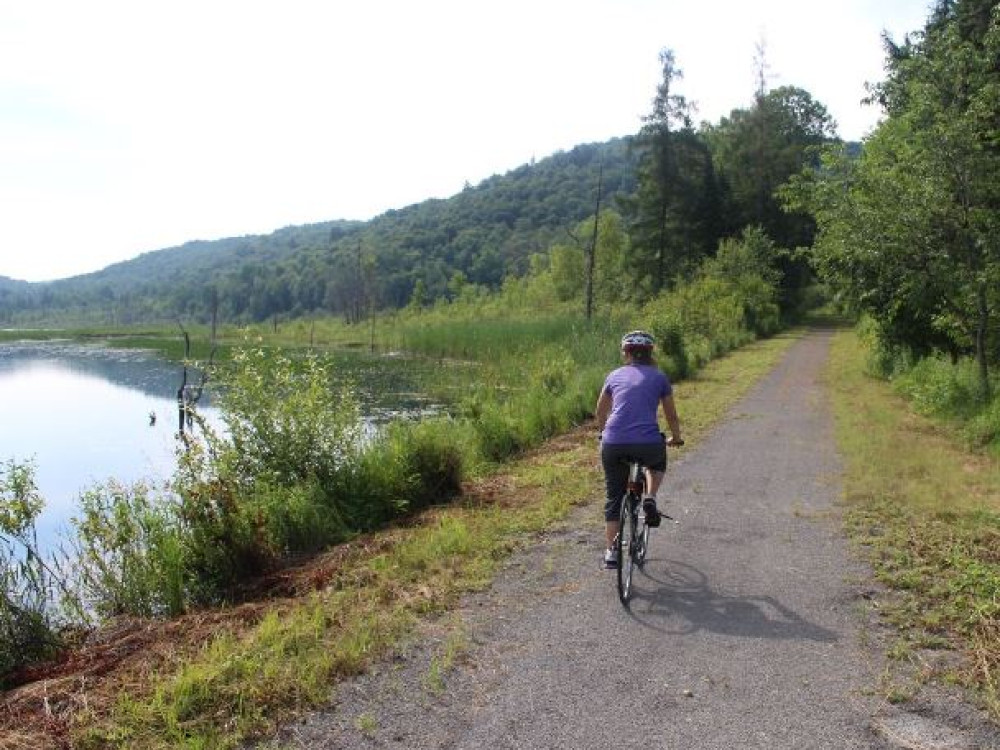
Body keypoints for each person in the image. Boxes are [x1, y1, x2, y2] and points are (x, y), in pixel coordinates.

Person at [595, 330, 683, 569]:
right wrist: (676, 437)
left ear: (626, 353)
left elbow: (600, 412)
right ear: (650, 353)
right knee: (656, 462)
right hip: (647, 443)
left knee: (614, 497)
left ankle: (612, 551)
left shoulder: (613, 375)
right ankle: (650, 498)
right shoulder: (659, 377)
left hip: (613, 443)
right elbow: (671, 415)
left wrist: (603, 434)